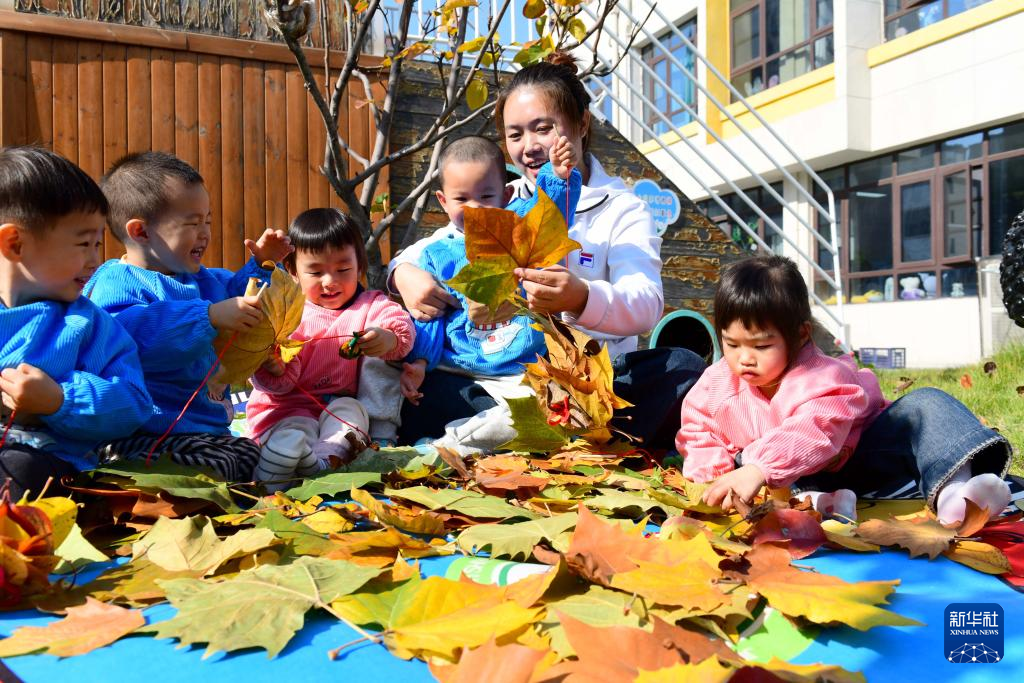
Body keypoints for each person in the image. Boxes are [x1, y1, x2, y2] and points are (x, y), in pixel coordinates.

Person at [390, 53, 704, 448]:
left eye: (543, 129)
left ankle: (506, 435)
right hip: (502, 380)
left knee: (681, 367)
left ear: (582, 123)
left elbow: (646, 304)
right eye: (515, 135)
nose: (529, 147)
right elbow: (438, 247)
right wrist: (403, 274)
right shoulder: (502, 198)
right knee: (408, 376)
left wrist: (581, 298)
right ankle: (517, 433)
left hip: (589, 382)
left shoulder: (623, 207)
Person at [677, 255, 1012, 525]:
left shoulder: (824, 375)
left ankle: (956, 495)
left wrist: (759, 468)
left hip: (856, 460)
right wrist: (715, 480)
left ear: (801, 334)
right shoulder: (716, 385)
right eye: (732, 344)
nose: (744, 358)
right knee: (742, 457)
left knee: (927, 403)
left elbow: (815, 430)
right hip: (786, 483)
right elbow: (698, 430)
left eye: (761, 346)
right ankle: (823, 504)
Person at [85, 152, 293, 481]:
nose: (205, 233)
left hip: (203, 428)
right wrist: (207, 316)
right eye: (192, 224)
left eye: (207, 221)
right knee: (213, 464)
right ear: (141, 232)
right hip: (145, 431)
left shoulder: (203, 279)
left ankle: (262, 471)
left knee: (246, 452)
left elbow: (236, 297)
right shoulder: (117, 283)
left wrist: (261, 267)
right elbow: (134, 334)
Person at [390, 134, 580, 446]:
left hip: (520, 372)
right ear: (443, 201)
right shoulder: (437, 254)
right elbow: (429, 315)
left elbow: (550, 212)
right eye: (462, 199)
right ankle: (453, 440)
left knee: (544, 414)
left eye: (486, 196)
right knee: (393, 381)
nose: (475, 208)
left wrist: (558, 176)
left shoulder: (520, 230)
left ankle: (452, 445)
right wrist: (421, 361)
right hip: (460, 369)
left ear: (506, 194)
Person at [0, 146, 152, 499]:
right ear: (15, 243)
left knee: (19, 468)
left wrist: (59, 400)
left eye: (97, 243)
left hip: (51, 465)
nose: (95, 259)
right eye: (84, 244)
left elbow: (133, 403)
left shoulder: (88, 325)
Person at [246, 208, 415, 488]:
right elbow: (270, 380)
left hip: (338, 405)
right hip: (286, 407)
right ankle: (275, 469)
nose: (330, 281)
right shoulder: (285, 312)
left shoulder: (370, 305)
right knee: (296, 429)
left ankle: (324, 463)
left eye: (343, 269)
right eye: (315, 271)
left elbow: (400, 324)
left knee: (351, 416)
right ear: (293, 271)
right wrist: (274, 367)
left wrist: (387, 338)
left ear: (359, 266)